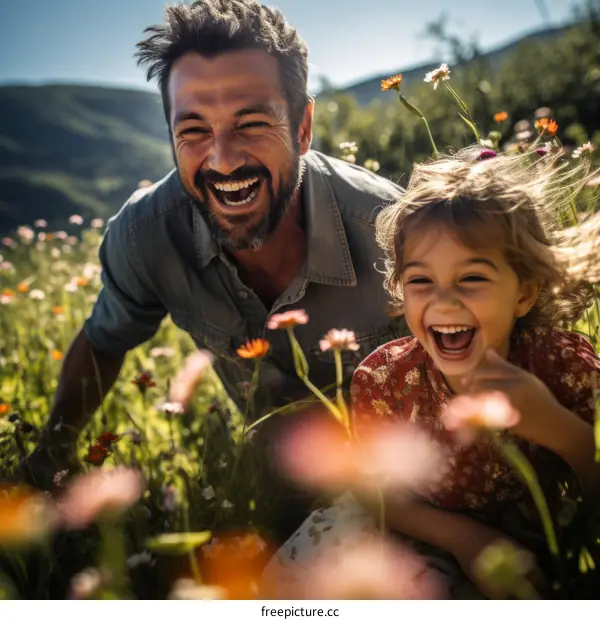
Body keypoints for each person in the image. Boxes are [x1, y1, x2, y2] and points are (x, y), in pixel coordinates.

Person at [20, 0, 407, 540]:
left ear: (302, 127)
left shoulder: (391, 231)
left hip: (401, 488)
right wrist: (48, 458)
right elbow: (105, 340)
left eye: (251, 123)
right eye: (194, 130)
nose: (223, 161)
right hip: (262, 487)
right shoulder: (144, 235)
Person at [261, 145, 600, 598]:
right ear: (400, 291)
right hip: (424, 530)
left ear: (524, 294)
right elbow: (375, 492)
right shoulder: (386, 380)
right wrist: (462, 538)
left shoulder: (561, 368)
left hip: (535, 542)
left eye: (472, 278)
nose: (443, 301)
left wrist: (558, 428)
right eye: (421, 280)